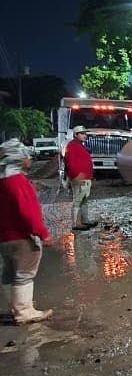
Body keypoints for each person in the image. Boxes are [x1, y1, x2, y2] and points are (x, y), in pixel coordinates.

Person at [0, 138, 53, 324]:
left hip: (4, 237)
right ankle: (24, 312)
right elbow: (27, 211)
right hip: (21, 237)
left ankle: (15, 308)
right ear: (17, 158)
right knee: (24, 274)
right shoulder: (17, 181)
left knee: (10, 274)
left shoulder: (3, 181)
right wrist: (42, 233)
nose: (29, 159)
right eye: (26, 155)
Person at [64, 125, 98, 232]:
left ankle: (85, 220)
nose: (85, 136)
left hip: (86, 178)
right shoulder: (72, 146)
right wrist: (75, 176)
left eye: (85, 133)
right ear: (75, 134)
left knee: (84, 200)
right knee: (78, 201)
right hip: (79, 178)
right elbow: (70, 163)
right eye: (82, 133)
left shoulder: (80, 146)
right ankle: (76, 223)